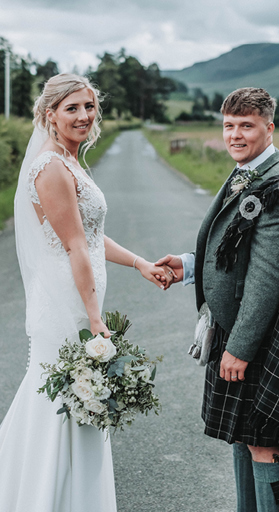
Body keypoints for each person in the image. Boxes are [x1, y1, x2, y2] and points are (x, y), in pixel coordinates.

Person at [156, 87, 279, 512]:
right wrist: (188, 265)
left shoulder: (278, 187)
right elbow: (235, 252)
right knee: (243, 437)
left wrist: (239, 348)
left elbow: (266, 276)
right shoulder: (247, 172)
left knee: (262, 442)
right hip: (235, 329)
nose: (235, 135)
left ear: (269, 128)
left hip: (257, 338)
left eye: (246, 126)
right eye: (229, 126)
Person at [0, 73, 172, 511]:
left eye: (89, 106)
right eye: (71, 108)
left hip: (78, 295)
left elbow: (91, 235)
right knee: (63, 395)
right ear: (49, 115)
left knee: (76, 397)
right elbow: (75, 245)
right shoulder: (51, 167)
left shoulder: (70, 161)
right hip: (67, 302)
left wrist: (139, 263)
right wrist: (95, 319)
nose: (82, 115)